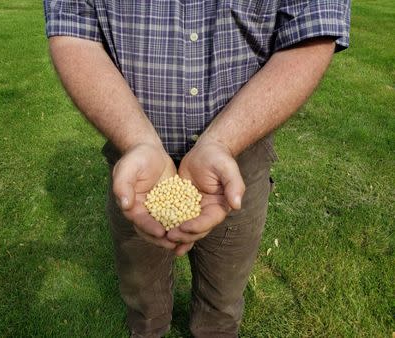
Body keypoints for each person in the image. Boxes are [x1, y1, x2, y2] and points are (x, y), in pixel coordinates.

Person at [43, 1, 350, 337]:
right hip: (136, 171)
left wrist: (222, 142)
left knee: (223, 298)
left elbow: (311, 33)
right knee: (142, 293)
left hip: (238, 165)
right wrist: (137, 140)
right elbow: (73, 30)